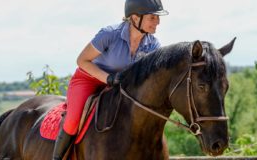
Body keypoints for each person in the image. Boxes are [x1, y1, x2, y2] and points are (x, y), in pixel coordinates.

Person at [52, 0, 169, 159]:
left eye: (157, 17)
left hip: (118, 86)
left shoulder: (153, 45)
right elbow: (82, 60)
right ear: (135, 18)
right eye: (153, 17)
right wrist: (108, 78)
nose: (158, 22)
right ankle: (58, 157)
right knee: (72, 121)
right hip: (89, 79)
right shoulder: (110, 34)